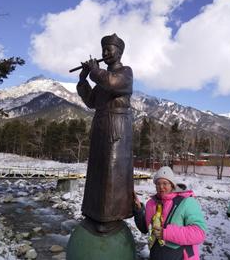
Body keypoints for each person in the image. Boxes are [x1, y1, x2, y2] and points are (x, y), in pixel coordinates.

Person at [76, 33, 133, 233]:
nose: (105, 53)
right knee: (98, 170)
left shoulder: (125, 72)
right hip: (100, 125)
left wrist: (95, 71)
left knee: (112, 172)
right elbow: (91, 101)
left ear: (119, 52)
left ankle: (111, 215)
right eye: (103, 49)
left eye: (109, 49)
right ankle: (95, 212)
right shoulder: (102, 78)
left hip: (116, 127)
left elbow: (112, 83)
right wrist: (84, 80)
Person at [133, 166, 206, 260]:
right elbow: (146, 229)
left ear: (172, 184)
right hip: (155, 255)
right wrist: (138, 210)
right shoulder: (151, 204)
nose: (161, 187)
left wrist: (166, 233)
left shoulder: (187, 202)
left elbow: (199, 233)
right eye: (158, 184)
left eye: (165, 183)